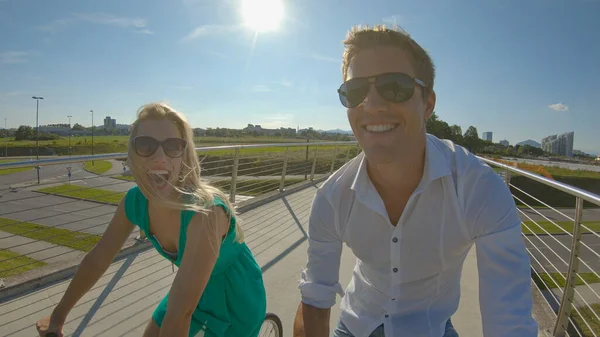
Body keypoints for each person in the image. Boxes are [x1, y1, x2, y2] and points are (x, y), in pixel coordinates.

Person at [293, 25, 538, 337]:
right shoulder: (333, 197)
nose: (372, 104)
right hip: (357, 325)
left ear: (428, 104)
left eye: (395, 87)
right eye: (355, 91)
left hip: (430, 327)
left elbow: (510, 324)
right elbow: (315, 295)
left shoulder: (477, 188)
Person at [35, 102, 267, 337]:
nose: (159, 157)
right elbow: (98, 258)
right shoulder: (134, 202)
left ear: (184, 154)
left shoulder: (205, 213)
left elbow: (180, 314)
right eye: (145, 145)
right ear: (133, 154)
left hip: (235, 296)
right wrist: (58, 316)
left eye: (173, 146)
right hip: (186, 290)